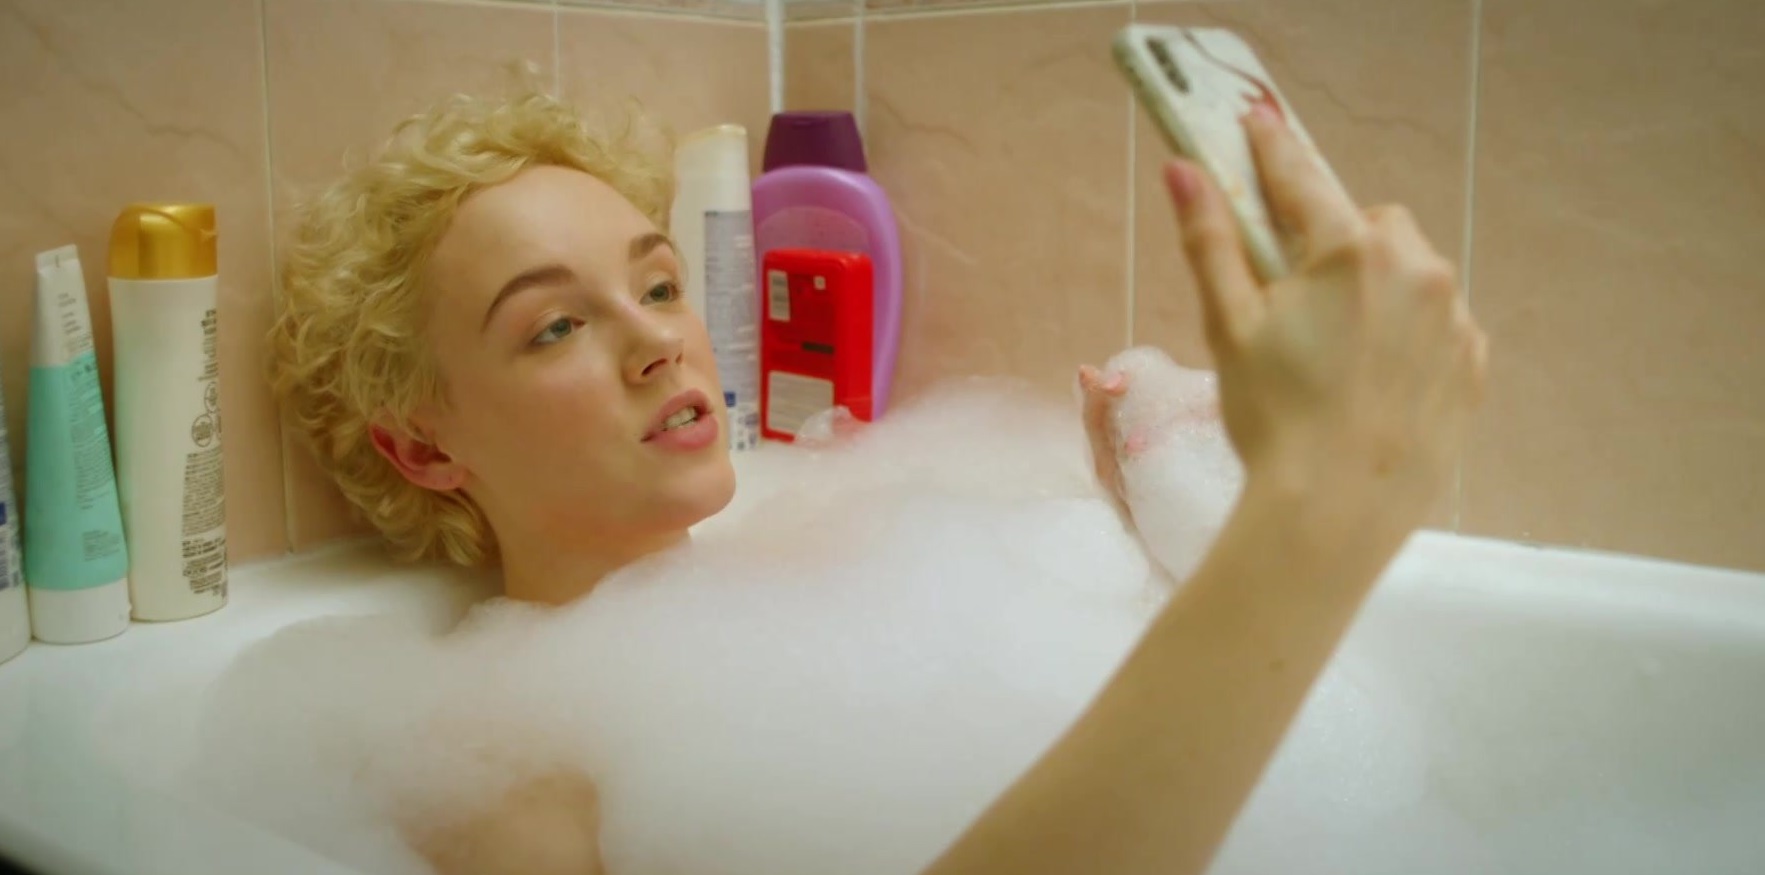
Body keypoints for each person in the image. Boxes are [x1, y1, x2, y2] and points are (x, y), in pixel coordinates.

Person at [271, 90, 1485, 875]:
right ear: (422, 447)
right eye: (553, 327)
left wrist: (1159, 537)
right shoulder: (499, 771)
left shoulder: (841, 548)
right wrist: (1296, 543)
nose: (657, 343)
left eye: (657, 285)